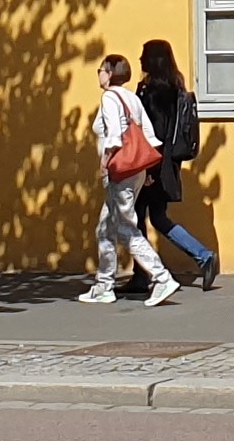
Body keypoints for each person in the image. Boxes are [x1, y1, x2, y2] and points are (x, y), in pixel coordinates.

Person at [81, 53, 181, 306]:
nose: (99, 74)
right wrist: (146, 170)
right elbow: (150, 136)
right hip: (135, 171)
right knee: (105, 229)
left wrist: (105, 163)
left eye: (101, 70)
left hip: (120, 170)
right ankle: (104, 285)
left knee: (126, 228)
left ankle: (162, 277)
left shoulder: (109, 98)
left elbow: (114, 137)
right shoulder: (132, 98)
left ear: (110, 73)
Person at [133, 39, 218, 289]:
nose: (140, 59)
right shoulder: (173, 88)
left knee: (138, 217)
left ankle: (143, 274)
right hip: (166, 164)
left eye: (144, 55)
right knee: (156, 217)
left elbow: (156, 134)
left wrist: (149, 170)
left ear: (153, 59)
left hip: (154, 165)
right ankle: (202, 256)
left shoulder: (155, 93)